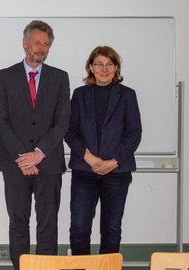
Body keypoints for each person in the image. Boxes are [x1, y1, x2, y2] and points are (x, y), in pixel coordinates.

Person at [0, 20, 70, 270]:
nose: (41, 48)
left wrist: (38, 154)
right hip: (14, 164)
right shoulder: (4, 76)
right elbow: (1, 120)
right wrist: (23, 157)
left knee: (48, 223)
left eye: (46, 44)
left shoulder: (60, 78)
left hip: (49, 162)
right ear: (25, 43)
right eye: (37, 42)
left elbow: (62, 122)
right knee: (18, 223)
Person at [65, 46, 142, 255]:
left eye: (109, 64)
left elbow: (134, 133)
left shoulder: (127, 95)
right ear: (91, 67)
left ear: (116, 68)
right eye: (99, 64)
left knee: (112, 230)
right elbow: (70, 131)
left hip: (117, 172)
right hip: (84, 171)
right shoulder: (80, 95)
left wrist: (114, 161)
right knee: (79, 229)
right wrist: (90, 159)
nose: (104, 69)